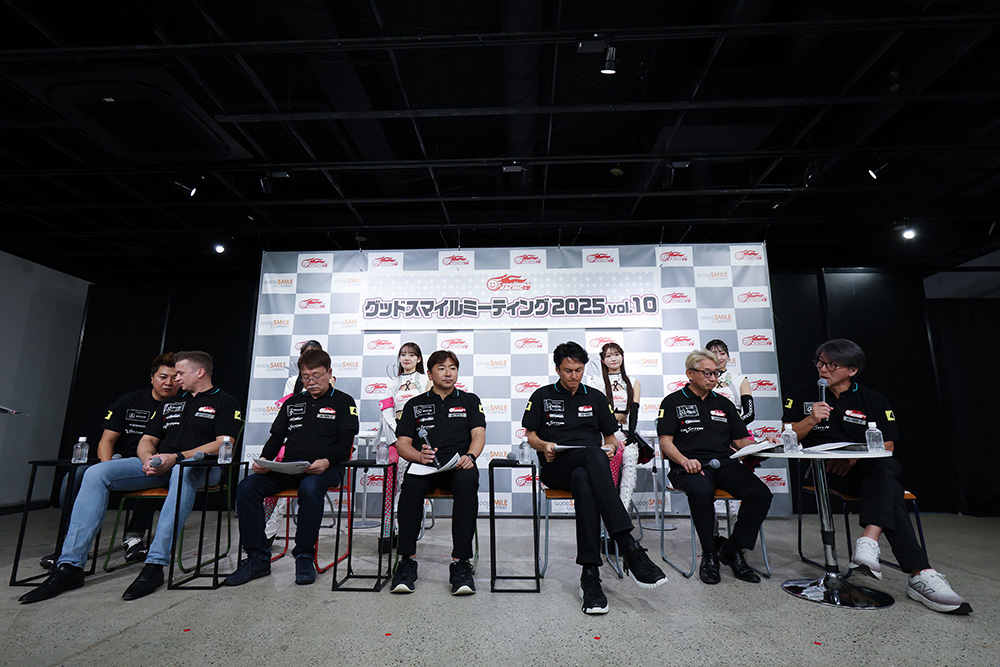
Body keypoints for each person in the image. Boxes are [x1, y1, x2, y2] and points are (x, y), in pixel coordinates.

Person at [19, 351, 242, 604]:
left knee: (183, 471)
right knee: (95, 473)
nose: (175, 379)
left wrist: (177, 457)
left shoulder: (225, 401)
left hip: (199, 467)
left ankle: (154, 565)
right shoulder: (171, 403)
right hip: (161, 465)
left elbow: (223, 443)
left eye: (180, 373)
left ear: (199, 372)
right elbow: (147, 439)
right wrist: (147, 458)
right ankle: (70, 566)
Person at [783, 338, 972, 614]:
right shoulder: (802, 394)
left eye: (831, 365)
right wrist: (811, 419)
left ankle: (880, 548)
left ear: (852, 370)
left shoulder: (872, 399)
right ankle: (916, 571)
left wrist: (855, 457)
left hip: (865, 471)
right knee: (889, 487)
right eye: (820, 362)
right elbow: (788, 437)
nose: (823, 369)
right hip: (826, 472)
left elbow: (888, 445)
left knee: (883, 471)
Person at [523, 341, 666, 615]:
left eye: (578, 370)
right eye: (568, 371)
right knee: (592, 456)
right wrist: (544, 446)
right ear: (557, 369)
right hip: (556, 467)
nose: (573, 376)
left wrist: (610, 447)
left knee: (585, 478)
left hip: (587, 469)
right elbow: (531, 436)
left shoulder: (597, 397)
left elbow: (610, 438)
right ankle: (628, 545)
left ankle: (590, 576)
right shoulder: (542, 396)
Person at [225, 348, 358, 587]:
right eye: (306, 377)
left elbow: (345, 442)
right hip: (291, 467)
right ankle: (257, 558)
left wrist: (327, 461)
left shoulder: (343, 401)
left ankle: (304, 556)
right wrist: (264, 460)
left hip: (326, 468)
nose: (311, 381)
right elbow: (277, 437)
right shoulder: (293, 402)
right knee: (247, 487)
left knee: (310, 488)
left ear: (329, 373)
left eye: (317, 375)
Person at [40, 353, 178, 569]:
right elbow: (107, 441)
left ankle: (134, 537)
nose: (168, 383)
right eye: (163, 377)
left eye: (174, 378)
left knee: (153, 470)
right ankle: (69, 542)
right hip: (117, 460)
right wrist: (106, 466)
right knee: (74, 475)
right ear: (152, 378)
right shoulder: (129, 401)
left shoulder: (181, 407)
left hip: (156, 464)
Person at [657, 349, 773, 585]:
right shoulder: (672, 402)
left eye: (716, 373)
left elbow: (741, 441)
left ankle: (732, 549)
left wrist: (762, 444)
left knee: (761, 494)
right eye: (707, 373)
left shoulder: (724, 403)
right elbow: (665, 442)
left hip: (724, 463)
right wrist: (684, 460)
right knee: (701, 491)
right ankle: (709, 554)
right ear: (690, 373)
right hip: (688, 466)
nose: (713, 378)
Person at [391, 350, 485, 596]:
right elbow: (402, 444)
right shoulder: (414, 404)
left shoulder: (470, 401)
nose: (448, 373)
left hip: (458, 465)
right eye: (442, 368)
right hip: (425, 465)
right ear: (430, 374)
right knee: (410, 488)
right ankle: (407, 561)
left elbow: (478, 434)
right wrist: (418, 456)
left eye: (452, 368)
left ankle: (460, 563)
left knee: (467, 485)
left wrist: (470, 457)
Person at [264, 339, 325, 547]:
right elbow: (285, 413)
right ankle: (268, 529)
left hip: (316, 445)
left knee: (307, 485)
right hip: (292, 440)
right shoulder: (292, 382)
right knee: (275, 471)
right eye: (306, 354)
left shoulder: (329, 382)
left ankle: (296, 540)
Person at [374, 342, 429, 553]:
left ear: (419, 359)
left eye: (411, 355)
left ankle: (408, 532)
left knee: (411, 487)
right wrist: (398, 436)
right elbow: (386, 413)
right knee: (390, 486)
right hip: (396, 437)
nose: (406, 358)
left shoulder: (425, 380)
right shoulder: (392, 384)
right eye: (403, 354)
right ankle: (388, 531)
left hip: (419, 438)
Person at [597, 342, 651, 509]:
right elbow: (597, 412)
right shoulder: (596, 382)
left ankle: (623, 513)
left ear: (622, 356)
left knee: (630, 468)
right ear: (603, 360)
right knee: (606, 476)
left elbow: (634, 410)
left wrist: (632, 435)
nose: (613, 359)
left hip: (627, 434)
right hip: (605, 436)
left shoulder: (633, 382)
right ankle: (606, 515)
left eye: (616, 354)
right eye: (608, 356)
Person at [704, 339, 754, 424]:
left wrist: (734, 426)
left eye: (722, 353)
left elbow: (749, 414)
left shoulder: (740, 379)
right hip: (708, 428)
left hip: (734, 428)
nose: (719, 358)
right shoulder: (701, 380)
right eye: (714, 354)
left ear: (728, 356)